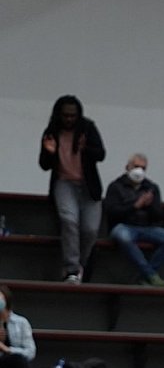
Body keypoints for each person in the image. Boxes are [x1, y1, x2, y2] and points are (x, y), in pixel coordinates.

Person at [38, 95, 106, 283]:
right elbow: (44, 165)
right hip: (64, 182)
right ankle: (71, 268)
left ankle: (80, 265)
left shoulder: (88, 128)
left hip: (88, 185)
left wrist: (86, 148)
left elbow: (101, 154)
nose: (69, 119)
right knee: (69, 221)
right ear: (59, 115)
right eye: (66, 115)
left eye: (73, 116)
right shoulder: (52, 132)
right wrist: (50, 153)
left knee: (90, 229)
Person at [104, 153, 164, 287]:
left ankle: (146, 275)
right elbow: (112, 212)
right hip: (123, 226)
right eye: (136, 166)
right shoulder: (115, 186)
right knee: (124, 237)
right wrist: (135, 206)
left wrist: (149, 206)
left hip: (146, 227)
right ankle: (150, 275)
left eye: (143, 168)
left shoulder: (151, 187)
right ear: (128, 167)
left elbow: (158, 216)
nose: (139, 171)